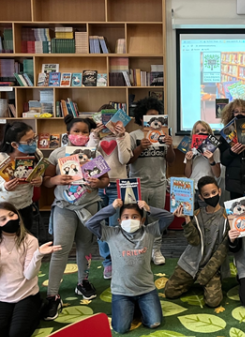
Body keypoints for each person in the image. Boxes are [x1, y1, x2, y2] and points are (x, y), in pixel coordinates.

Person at [42, 115, 110, 320]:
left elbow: (105, 179)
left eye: (84, 132)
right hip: (65, 207)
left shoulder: (94, 153)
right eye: (75, 132)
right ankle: (52, 294)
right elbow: (46, 181)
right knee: (60, 248)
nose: (79, 136)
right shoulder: (57, 153)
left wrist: (99, 184)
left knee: (85, 246)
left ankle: (83, 282)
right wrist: (54, 179)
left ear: (89, 135)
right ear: (67, 134)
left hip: (89, 206)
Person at [86, 199, 174, 334]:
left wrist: (149, 208)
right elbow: (90, 223)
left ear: (142, 220)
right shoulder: (112, 234)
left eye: (134, 217)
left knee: (154, 322)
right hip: (122, 292)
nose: (130, 220)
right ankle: (132, 307)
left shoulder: (149, 232)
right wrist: (112, 208)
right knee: (121, 328)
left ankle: (137, 307)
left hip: (146, 290)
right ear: (119, 221)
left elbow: (169, 217)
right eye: (126, 217)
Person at [0, 202, 61, 337]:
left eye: (12, 214)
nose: (10, 220)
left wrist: (38, 255)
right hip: (2, 299)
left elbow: (29, 275)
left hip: (27, 296)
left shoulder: (30, 240)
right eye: (3, 219)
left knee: (17, 333)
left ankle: (39, 307)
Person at [164, 176, 229, 307]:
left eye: (213, 193)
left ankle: (203, 280)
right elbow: (194, 241)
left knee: (213, 302)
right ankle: (192, 279)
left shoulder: (228, 216)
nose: (211, 196)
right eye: (206, 194)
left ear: (219, 192)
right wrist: (187, 219)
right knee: (170, 292)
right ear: (201, 197)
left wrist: (207, 273)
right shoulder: (196, 214)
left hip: (212, 266)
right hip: (191, 261)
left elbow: (223, 250)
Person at [88, 104, 133, 280]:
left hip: (118, 185)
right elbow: (88, 158)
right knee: (100, 225)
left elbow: (125, 160)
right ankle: (107, 262)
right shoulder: (96, 137)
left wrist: (121, 137)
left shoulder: (125, 136)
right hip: (99, 184)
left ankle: (118, 260)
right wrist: (94, 136)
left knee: (116, 225)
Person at [128, 97, 175, 266]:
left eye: (158, 116)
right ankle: (140, 249)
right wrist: (140, 147)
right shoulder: (133, 136)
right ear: (142, 118)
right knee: (137, 219)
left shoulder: (164, 134)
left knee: (156, 219)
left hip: (159, 183)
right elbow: (128, 160)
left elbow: (171, 160)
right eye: (150, 116)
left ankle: (156, 250)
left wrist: (169, 145)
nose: (155, 120)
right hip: (138, 184)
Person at [0, 122, 43, 231]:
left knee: (24, 238)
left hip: (25, 205)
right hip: (1, 208)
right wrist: (3, 186)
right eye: (29, 141)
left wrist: (39, 180)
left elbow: (40, 173)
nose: (34, 143)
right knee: (4, 239)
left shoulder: (36, 154)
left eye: (34, 138)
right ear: (14, 145)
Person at [184, 121, 221, 209]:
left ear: (209, 133)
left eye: (203, 130)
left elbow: (217, 174)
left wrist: (211, 160)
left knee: (206, 214)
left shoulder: (215, 150)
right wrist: (189, 161)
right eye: (197, 131)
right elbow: (187, 174)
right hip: (192, 188)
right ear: (193, 134)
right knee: (192, 215)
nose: (200, 132)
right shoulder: (190, 149)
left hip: (207, 189)